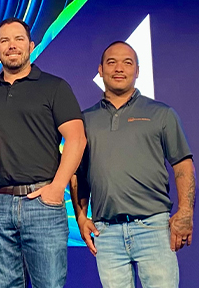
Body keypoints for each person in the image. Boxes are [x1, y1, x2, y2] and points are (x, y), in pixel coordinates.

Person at [0, 17, 87, 288]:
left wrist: (57, 188)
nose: (12, 46)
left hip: (43, 203)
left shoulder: (54, 87)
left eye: (18, 39)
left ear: (31, 45)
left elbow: (77, 139)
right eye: (4, 41)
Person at [69, 41, 194, 288]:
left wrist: (186, 212)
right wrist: (81, 218)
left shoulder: (161, 113)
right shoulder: (84, 120)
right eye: (111, 62)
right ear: (100, 70)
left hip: (154, 228)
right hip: (106, 233)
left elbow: (183, 165)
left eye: (127, 63)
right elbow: (78, 176)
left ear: (137, 71)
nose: (119, 68)